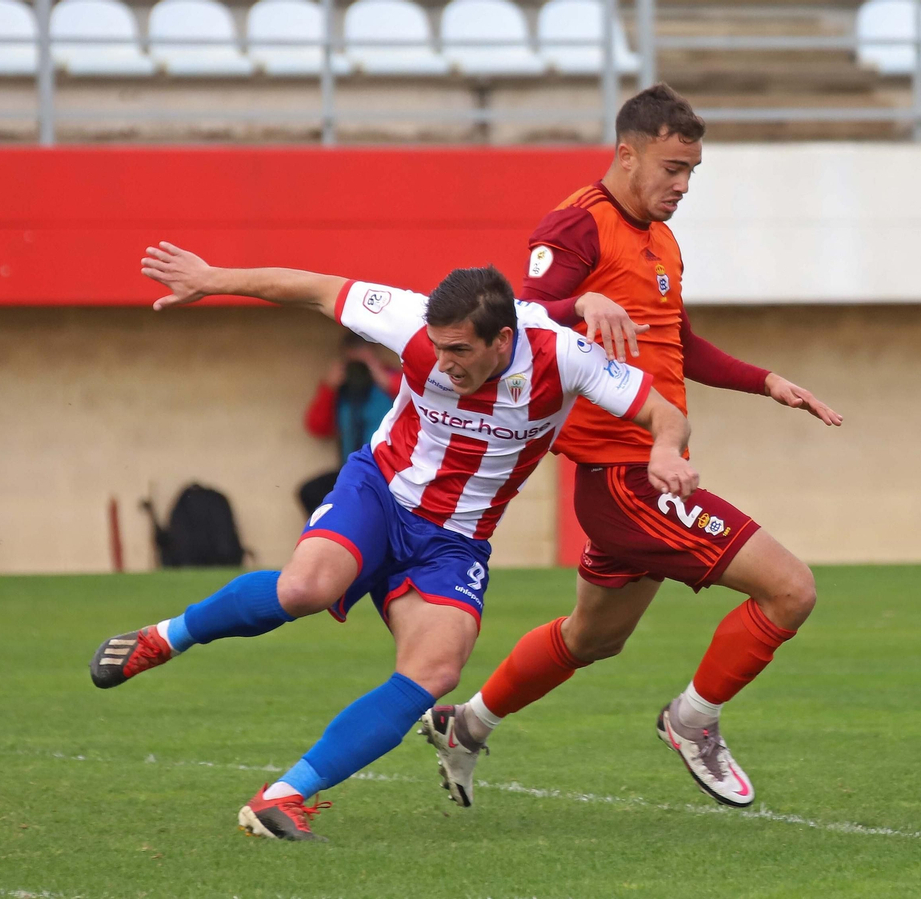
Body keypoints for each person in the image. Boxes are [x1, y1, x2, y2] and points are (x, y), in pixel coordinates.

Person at [89, 242, 697, 842]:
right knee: (305, 587)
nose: (445, 363)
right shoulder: (408, 321)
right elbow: (314, 286)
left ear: (502, 342)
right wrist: (212, 277)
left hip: (455, 542)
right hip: (380, 493)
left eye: (460, 350)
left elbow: (664, 412)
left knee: (437, 669)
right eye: (439, 348)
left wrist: (664, 449)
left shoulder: (566, 359)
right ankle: (162, 638)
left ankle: (281, 798)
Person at [419, 84, 844, 811]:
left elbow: (676, 343)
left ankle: (466, 725)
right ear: (627, 151)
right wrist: (576, 303)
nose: (682, 186)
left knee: (591, 637)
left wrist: (764, 379)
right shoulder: (577, 225)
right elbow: (516, 319)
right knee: (790, 589)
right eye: (672, 167)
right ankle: (692, 721)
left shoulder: (662, 239)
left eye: (692, 172)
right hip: (624, 477)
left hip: (642, 474)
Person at [297, 333, 402, 515]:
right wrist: (330, 388)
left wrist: (382, 377)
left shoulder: (391, 379)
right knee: (311, 492)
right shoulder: (340, 388)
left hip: (389, 472)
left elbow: (420, 408)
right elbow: (317, 427)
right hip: (351, 471)